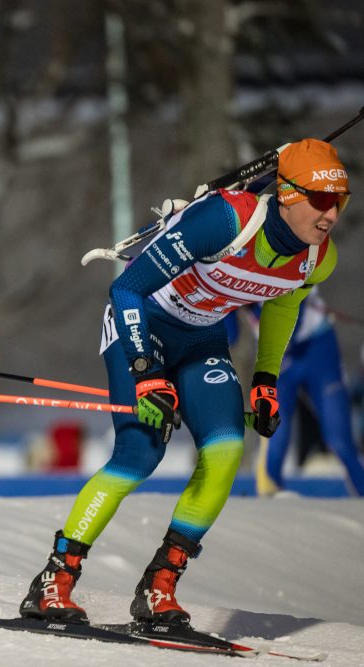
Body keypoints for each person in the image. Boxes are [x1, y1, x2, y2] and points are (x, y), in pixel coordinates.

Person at [19, 138, 350, 625]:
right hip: (141, 326)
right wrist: (146, 374)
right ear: (287, 194)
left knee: (225, 450)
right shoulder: (226, 220)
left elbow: (283, 305)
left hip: (200, 338)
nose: (331, 215)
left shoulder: (317, 259)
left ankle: (159, 587)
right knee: (140, 454)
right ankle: (54, 580)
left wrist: (264, 380)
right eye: (321, 200)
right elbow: (125, 288)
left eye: (341, 201)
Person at [241, 288, 364, 496]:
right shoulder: (238, 268)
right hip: (280, 355)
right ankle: (270, 497)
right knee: (275, 428)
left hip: (317, 350)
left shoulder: (284, 262)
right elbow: (232, 332)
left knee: (338, 438)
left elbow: (292, 324)